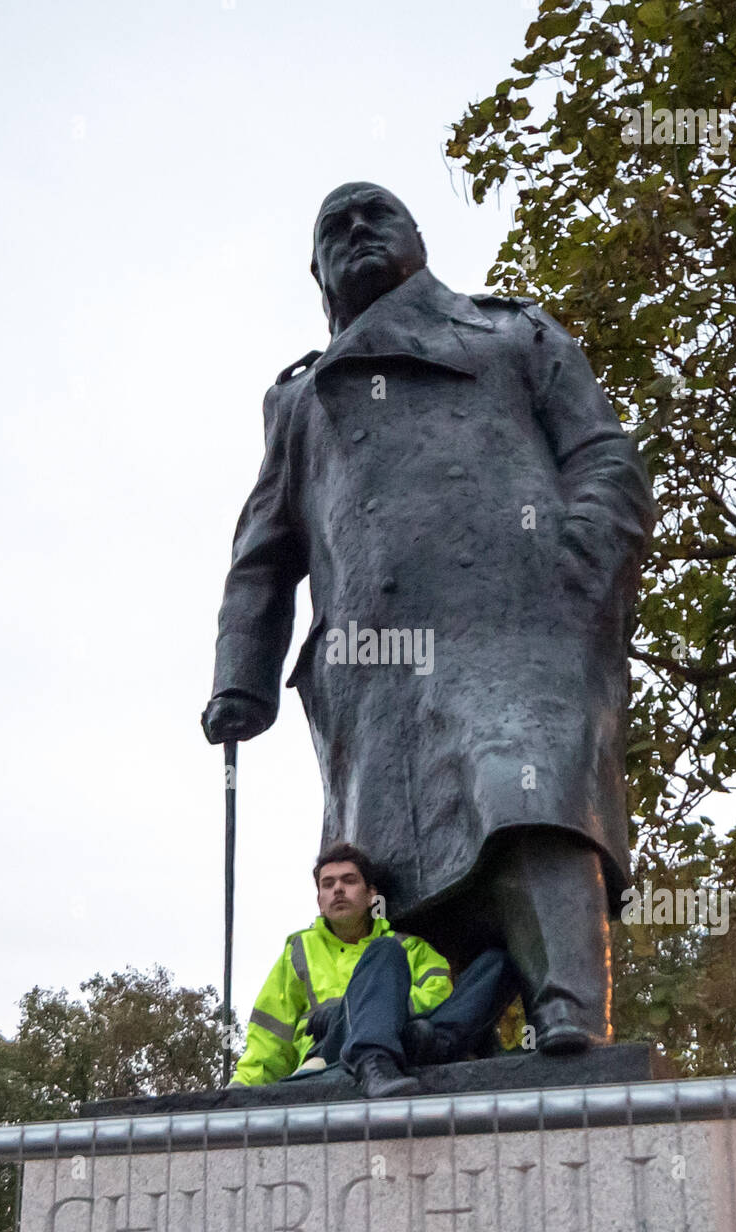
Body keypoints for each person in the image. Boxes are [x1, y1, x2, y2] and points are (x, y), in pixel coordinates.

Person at [203, 182, 656, 1053]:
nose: (361, 231)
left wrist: (576, 576)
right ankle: (436, 1039)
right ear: (317, 271)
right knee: (398, 869)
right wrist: (240, 677)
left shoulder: (513, 334)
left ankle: (567, 1014)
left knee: (525, 795)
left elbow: (606, 458)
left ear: (419, 237)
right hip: (373, 672)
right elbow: (263, 551)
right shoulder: (299, 403)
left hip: (518, 625)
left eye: (379, 215)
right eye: (337, 226)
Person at [231, 842, 518, 1099]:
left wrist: (364, 1010)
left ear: (371, 895)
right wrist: (240, 1087)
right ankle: (372, 1058)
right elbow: (269, 1036)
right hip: (331, 1052)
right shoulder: (299, 952)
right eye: (327, 884)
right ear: (319, 900)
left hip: (414, 1039)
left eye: (349, 881)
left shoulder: (410, 947)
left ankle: (421, 1046)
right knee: (384, 952)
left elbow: (439, 996)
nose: (338, 889)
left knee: (496, 964)